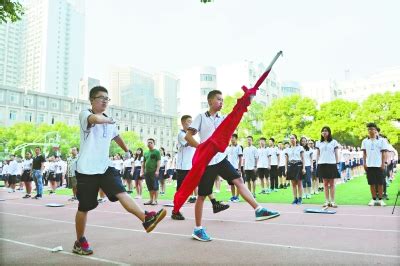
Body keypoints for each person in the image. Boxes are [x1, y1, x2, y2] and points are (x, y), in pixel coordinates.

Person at [73, 86, 166, 255]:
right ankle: (80, 240)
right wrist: (106, 120)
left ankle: (146, 219)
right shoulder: (85, 114)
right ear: (92, 100)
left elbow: (116, 136)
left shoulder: (109, 120)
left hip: (105, 167)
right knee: (84, 207)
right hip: (86, 169)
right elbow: (94, 119)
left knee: (122, 192)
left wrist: (126, 150)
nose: (105, 101)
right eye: (101, 98)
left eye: (107, 99)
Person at [185, 90, 279, 242]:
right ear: (210, 101)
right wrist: (200, 148)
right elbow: (188, 136)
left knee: (238, 180)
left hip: (221, 159)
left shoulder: (222, 118)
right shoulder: (201, 117)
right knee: (202, 195)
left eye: (222, 100)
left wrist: (247, 100)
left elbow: (236, 116)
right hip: (207, 161)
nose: (221, 102)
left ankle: (258, 209)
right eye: (218, 100)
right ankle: (198, 229)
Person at [362, 123, 387, 206]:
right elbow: (364, 153)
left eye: (372, 129)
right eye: (369, 129)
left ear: (376, 130)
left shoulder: (382, 140)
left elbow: (384, 153)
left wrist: (383, 164)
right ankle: (373, 199)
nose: (370, 131)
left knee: (380, 183)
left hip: (379, 165)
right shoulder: (365, 141)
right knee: (371, 183)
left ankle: (380, 199)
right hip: (369, 165)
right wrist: (364, 163)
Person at [316, 126, 340, 208]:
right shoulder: (319, 142)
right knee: (325, 184)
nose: (324, 132)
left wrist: (337, 163)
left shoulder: (334, 142)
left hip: (331, 164)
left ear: (329, 132)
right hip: (322, 164)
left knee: (332, 184)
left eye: (326, 131)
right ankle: (326, 201)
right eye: (323, 131)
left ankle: (333, 201)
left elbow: (336, 154)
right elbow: (318, 154)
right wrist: (317, 164)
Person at [285, 134, 305, 205]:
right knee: (293, 184)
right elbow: (286, 160)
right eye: (290, 138)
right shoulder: (287, 149)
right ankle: (295, 198)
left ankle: (300, 198)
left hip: (298, 165)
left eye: (293, 138)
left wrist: (304, 168)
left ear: (296, 139)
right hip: (290, 166)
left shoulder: (300, 148)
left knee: (299, 183)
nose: (292, 140)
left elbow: (303, 158)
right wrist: (286, 169)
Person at [141, 139, 161, 205]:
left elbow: (158, 161)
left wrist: (157, 170)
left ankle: (155, 200)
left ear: (154, 144)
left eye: (151, 142)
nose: (149, 144)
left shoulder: (157, 152)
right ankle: (151, 199)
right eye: (148, 142)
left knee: (155, 186)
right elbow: (143, 162)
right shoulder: (145, 152)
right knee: (149, 186)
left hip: (154, 172)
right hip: (147, 172)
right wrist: (142, 171)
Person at [226, 133, 243, 202]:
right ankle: (233, 196)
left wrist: (239, 168)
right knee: (231, 183)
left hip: (236, 167)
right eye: (231, 138)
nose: (232, 139)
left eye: (233, 138)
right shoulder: (228, 147)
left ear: (236, 139)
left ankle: (237, 197)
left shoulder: (239, 147)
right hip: (229, 167)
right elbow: (226, 157)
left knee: (237, 183)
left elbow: (240, 158)